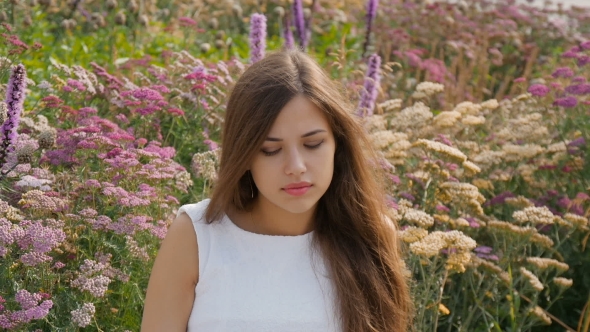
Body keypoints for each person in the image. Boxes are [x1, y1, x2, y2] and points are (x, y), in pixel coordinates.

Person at [141, 49, 412, 331]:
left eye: (313, 144)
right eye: (271, 150)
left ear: (338, 145)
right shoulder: (197, 236)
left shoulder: (370, 234)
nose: (295, 166)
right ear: (244, 155)